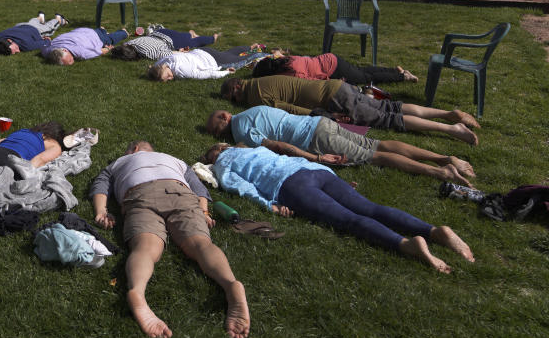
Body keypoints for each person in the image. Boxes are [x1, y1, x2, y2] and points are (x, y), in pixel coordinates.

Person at [202, 143, 475, 273]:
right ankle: (434, 231)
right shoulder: (255, 148)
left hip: (292, 187)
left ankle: (405, 244)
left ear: (214, 157)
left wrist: (269, 204)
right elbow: (287, 154)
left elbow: (242, 187)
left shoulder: (223, 164)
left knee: (348, 221)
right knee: (371, 207)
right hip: (315, 171)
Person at [89, 141, 249, 338]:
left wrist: (101, 211)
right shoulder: (176, 161)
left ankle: (137, 291)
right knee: (201, 244)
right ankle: (230, 284)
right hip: (179, 191)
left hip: (140, 194)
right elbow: (198, 187)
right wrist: (204, 212)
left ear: (135, 149)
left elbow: (100, 185)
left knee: (146, 248)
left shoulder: (119, 163)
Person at [206, 106, 477, 186]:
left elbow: (278, 145)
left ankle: (441, 173)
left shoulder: (240, 128)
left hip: (315, 140)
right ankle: (444, 158)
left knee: (377, 157)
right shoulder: (252, 111)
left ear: (223, 121)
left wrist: (315, 158)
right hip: (321, 124)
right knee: (380, 143)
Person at [220, 76, 480, 144]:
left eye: (234, 99)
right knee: (390, 105)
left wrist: (323, 115)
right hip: (336, 86)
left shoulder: (254, 95)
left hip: (334, 100)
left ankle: (451, 128)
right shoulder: (261, 81)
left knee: (389, 119)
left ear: (236, 89)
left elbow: (289, 108)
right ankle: (447, 113)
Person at [251, 53, 418, 85]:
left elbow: (312, 81)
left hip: (333, 69)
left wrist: (336, 82)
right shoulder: (285, 60)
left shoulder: (291, 73)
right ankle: (395, 70)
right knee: (362, 71)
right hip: (330, 59)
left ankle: (402, 76)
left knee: (365, 78)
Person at [110, 26, 220, 61]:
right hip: (160, 32)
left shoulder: (148, 53)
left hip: (171, 41)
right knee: (184, 36)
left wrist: (180, 52)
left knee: (194, 42)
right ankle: (190, 33)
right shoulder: (131, 42)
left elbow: (167, 53)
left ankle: (212, 38)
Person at [0, 14, 69, 55]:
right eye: (16, 52)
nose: (18, 51)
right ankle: (40, 18)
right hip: (19, 26)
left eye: (16, 48)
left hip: (34, 30)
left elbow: (46, 42)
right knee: (32, 22)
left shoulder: (26, 45)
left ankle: (59, 19)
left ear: (9, 40)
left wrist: (46, 40)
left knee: (49, 29)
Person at [40, 27, 128, 65]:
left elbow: (101, 51)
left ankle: (123, 32)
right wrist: (47, 39)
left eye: (70, 60)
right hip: (81, 31)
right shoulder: (47, 52)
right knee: (101, 32)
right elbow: (44, 45)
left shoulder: (81, 53)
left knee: (108, 40)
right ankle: (102, 30)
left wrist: (107, 48)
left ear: (66, 51)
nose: (72, 62)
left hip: (95, 36)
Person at [146, 47, 245, 81]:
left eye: (168, 75)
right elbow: (153, 67)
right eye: (166, 80)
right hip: (201, 51)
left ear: (163, 68)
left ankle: (259, 50)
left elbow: (207, 74)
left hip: (213, 60)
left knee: (241, 61)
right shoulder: (162, 62)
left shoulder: (181, 71)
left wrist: (226, 72)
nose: (170, 78)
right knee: (228, 53)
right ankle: (250, 46)